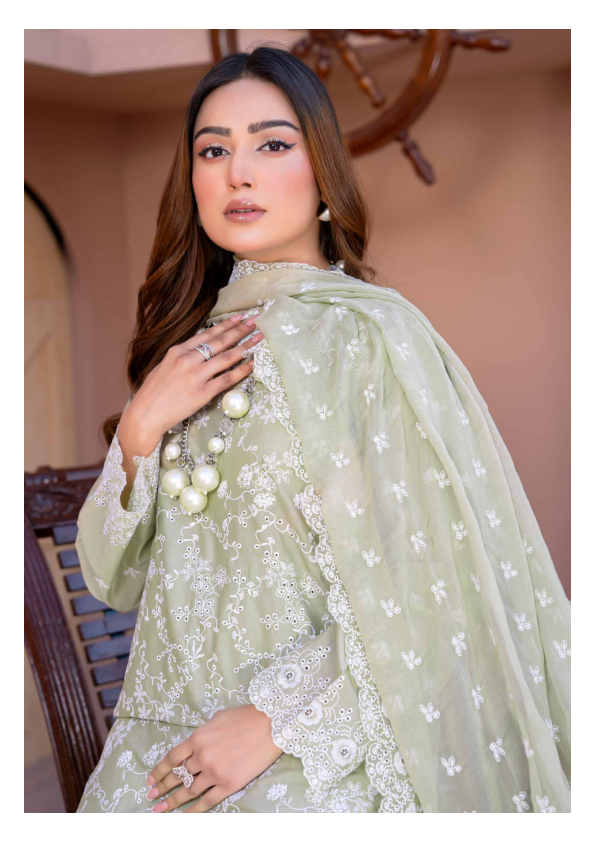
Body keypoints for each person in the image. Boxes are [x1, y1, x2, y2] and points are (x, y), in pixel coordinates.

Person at [75, 46, 570, 814]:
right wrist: (139, 428)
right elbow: (113, 580)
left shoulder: (368, 338)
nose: (238, 173)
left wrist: (278, 723)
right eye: (213, 151)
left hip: (317, 755)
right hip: (161, 758)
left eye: (272, 144)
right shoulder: (187, 353)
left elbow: (434, 590)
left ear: (323, 176)